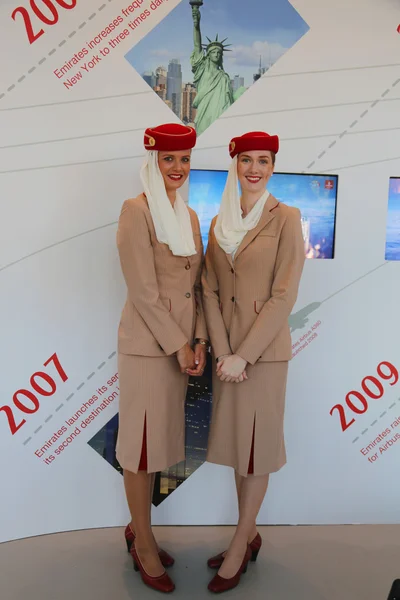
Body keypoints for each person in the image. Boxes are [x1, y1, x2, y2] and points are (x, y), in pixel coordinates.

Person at [202, 131, 305, 593]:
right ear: (235, 164)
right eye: (247, 159)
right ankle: (250, 533)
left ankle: (240, 544)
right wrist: (224, 352)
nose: (255, 168)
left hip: (263, 356)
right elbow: (208, 288)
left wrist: (245, 353)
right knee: (236, 447)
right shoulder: (219, 221)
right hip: (228, 356)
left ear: (273, 166)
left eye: (264, 160)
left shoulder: (287, 218)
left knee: (257, 449)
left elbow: (284, 296)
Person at [116, 123, 208, 594]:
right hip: (150, 349)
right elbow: (145, 293)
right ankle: (143, 544)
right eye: (169, 159)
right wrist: (180, 346)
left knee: (158, 445)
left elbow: (194, 288)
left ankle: (139, 528)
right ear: (152, 161)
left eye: (185, 160)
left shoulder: (189, 217)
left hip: (180, 348)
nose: (178, 168)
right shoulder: (136, 211)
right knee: (141, 447)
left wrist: (200, 343)